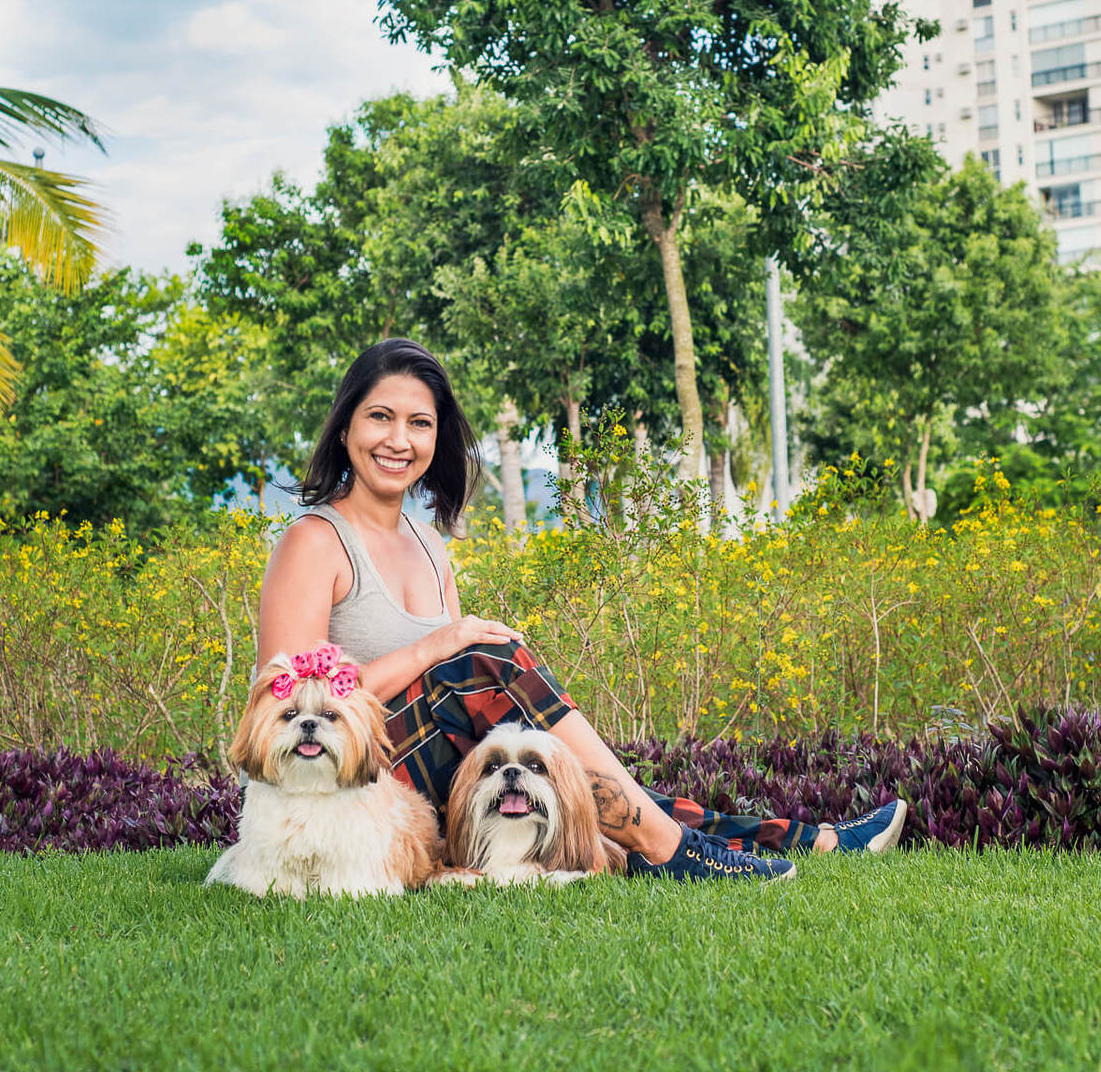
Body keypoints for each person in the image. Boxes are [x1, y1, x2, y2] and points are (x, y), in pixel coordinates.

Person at [257, 339, 907, 885]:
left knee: (558, 754)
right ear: (346, 427)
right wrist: (435, 647)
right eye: (380, 417)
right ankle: (670, 851)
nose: (399, 439)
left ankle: (811, 839)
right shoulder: (314, 541)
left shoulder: (429, 543)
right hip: (358, 785)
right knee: (479, 660)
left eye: (419, 423)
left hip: (441, 782)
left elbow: (458, 700)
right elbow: (281, 705)